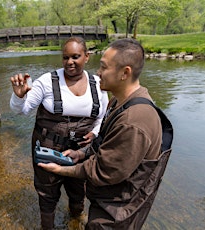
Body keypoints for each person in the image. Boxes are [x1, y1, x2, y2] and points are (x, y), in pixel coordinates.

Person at [39, 38, 173, 229]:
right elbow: (102, 141)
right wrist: (81, 153)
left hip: (119, 211)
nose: (98, 73)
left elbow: (101, 171)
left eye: (103, 67)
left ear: (124, 73)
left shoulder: (133, 121)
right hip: (107, 198)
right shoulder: (117, 102)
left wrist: (61, 170)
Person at [10, 37, 109, 229]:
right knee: (47, 191)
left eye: (75, 57)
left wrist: (95, 133)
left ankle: (76, 218)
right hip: (47, 147)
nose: (69, 62)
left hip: (80, 150)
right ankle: (47, 225)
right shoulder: (47, 81)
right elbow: (20, 110)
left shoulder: (98, 84)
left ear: (87, 57)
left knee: (78, 187)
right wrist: (18, 96)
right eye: (65, 57)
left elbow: (102, 117)